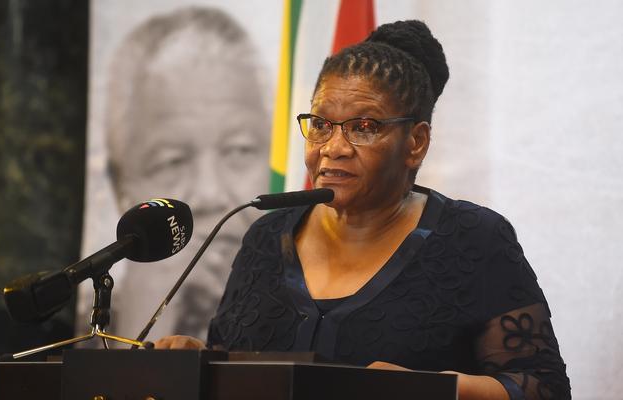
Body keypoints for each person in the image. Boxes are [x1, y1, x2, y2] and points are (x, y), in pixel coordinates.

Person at [155, 20, 571, 400]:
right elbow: (235, 362)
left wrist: (429, 389)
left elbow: (543, 389)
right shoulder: (266, 236)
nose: (333, 147)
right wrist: (200, 360)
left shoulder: (473, 238)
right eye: (320, 124)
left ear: (416, 143)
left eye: (364, 127)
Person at [103, 7, 270, 341]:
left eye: (239, 150)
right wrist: (139, 325)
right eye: (172, 162)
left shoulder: (314, 303)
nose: (209, 193)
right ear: (121, 186)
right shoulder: (95, 322)